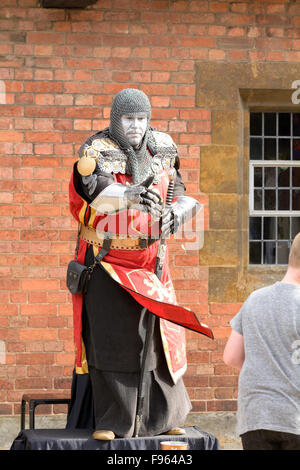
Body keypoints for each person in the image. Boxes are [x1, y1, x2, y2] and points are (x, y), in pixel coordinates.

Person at [67, 88, 213, 441]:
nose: (136, 126)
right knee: (113, 342)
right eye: (129, 119)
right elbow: (92, 194)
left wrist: (175, 215)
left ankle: (163, 418)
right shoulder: (96, 152)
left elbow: (181, 194)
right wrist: (130, 194)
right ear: (117, 119)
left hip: (152, 265)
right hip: (108, 264)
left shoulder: (163, 149)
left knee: (161, 342)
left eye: (141, 119)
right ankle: (114, 421)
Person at [223, 232, 300, 450]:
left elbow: (231, 357)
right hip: (295, 418)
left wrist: (266, 367)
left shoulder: (254, 299)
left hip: (255, 417)